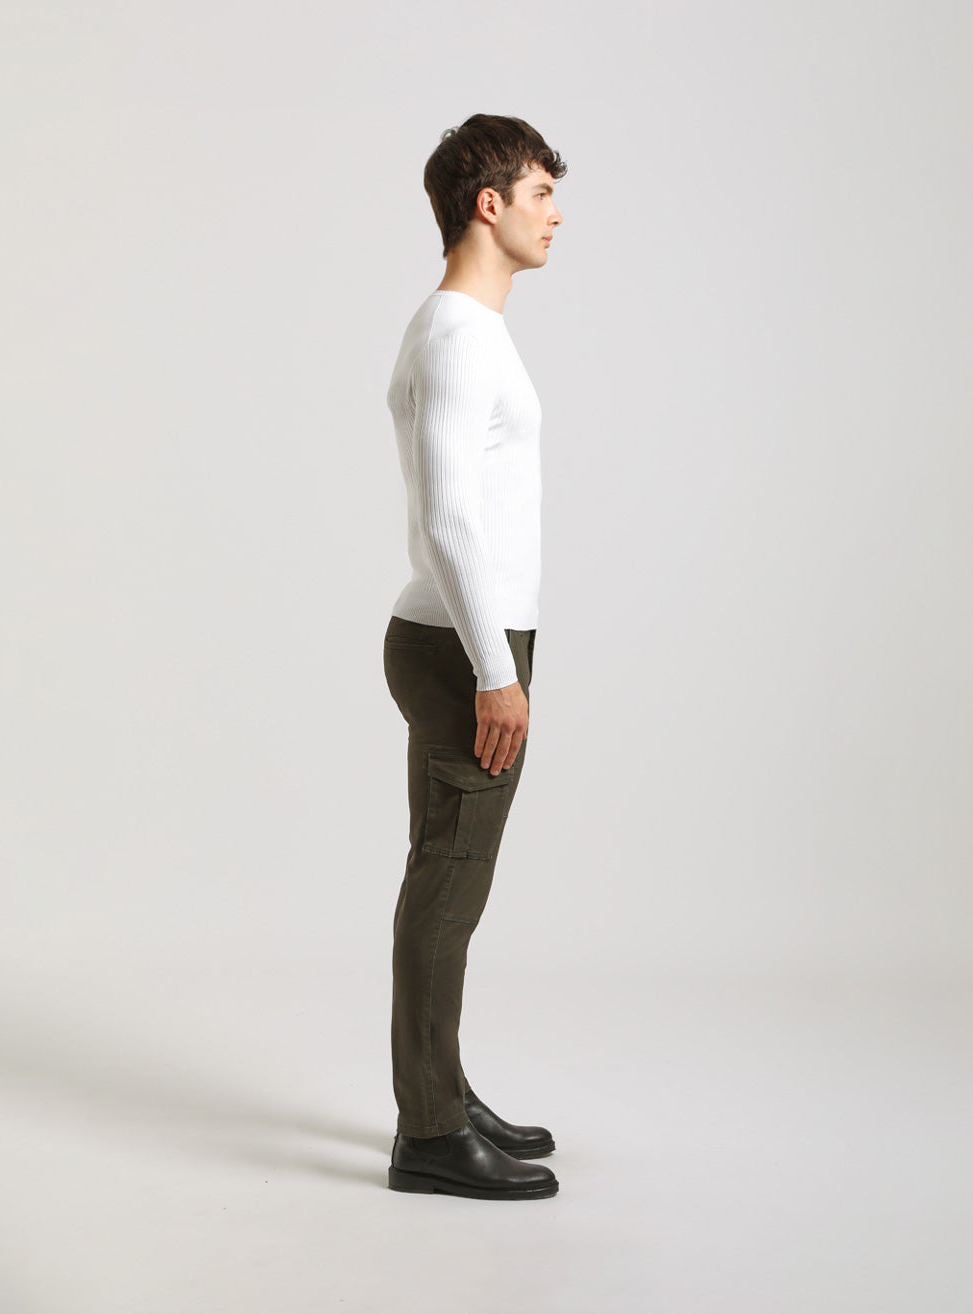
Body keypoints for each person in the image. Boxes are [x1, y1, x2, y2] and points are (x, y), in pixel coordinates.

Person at [382, 113, 566, 1200]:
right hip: (465, 646)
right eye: (540, 192)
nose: (556, 214)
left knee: (443, 879)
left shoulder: (469, 329)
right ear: (487, 204)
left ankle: (440, 1089)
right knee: (448, 890)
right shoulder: (457, 334)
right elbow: (449, 519)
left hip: (463, 637)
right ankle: (431, 1134)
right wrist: (498, 672)